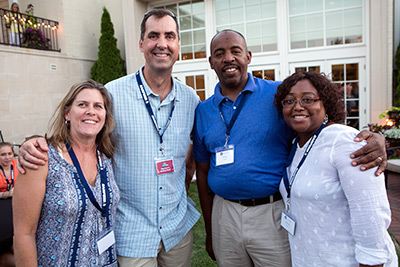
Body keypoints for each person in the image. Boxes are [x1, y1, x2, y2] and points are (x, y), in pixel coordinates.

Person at [17, 9, 200, 267]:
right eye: (153, 36)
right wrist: (33, 143)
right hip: (132, 232)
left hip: (177, 231)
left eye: (169, 36)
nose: (162, 43)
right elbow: (80, 131)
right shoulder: (111, 94)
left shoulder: (191, 100)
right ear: (141, 44)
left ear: (178, 45)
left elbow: (192, 157)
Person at [192, 29, 387, 267]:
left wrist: (373, 138)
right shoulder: (203, 111)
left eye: (236, 51)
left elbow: (317, 123)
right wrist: (211, 229)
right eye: (219, 53)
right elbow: (202, 171)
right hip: (225, 215)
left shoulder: (278, 94)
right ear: (211, 62)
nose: (228, 58)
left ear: (248, 57)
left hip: (271, 212)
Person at [274, 71, 397, 266]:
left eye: (308, 99)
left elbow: (370, 215)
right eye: (289, 101)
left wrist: (372, 262)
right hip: (310, 257)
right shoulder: (297, 144)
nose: (297, 107)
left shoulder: (346, 141)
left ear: (326, 103)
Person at [13, 80, 120, 266]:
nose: (91, 111)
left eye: (98, 106)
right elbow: (23, 234)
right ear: (67, 114)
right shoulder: (40, 158)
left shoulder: (106, 160)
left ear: (104, 117)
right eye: (82, 104)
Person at [0, 142, 18, 267]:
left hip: (18, 203)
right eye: (3, 155)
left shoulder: (18, 165)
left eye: (9, 154)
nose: (7, 157)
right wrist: (6, 194)